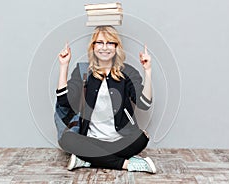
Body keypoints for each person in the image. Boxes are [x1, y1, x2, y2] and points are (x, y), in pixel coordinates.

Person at [56, 26, 156, 173]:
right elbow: (64, 101)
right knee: (67, 139)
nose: (104, 47)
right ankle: (127, 164)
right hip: (90, 139)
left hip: (120, 140)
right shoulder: (83, 71)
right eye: (99, 42)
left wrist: (148, 71)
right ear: (93, 46)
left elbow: (144, 103)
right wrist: (64, 66)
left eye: (110, 43)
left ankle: (87, 159)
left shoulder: (127, 72)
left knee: (141, 138)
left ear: (116, 47)